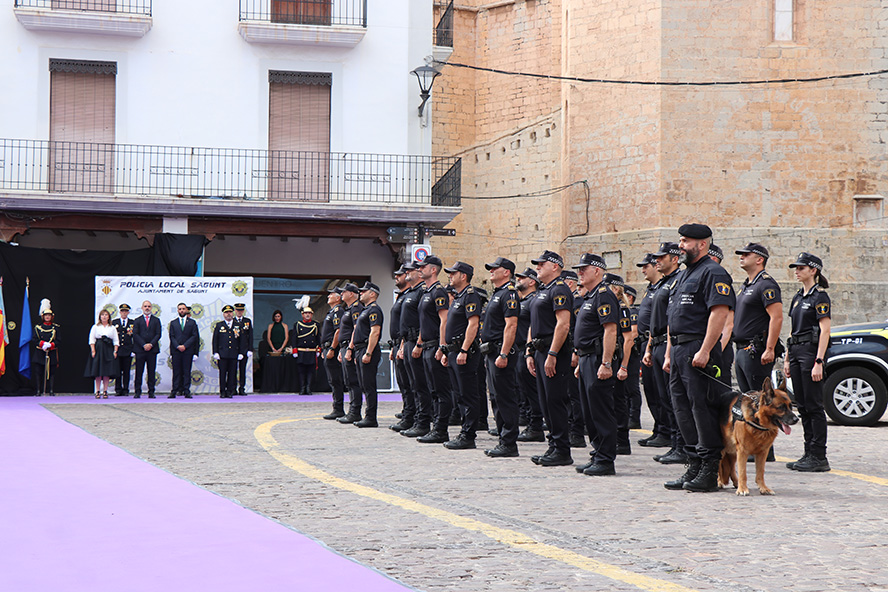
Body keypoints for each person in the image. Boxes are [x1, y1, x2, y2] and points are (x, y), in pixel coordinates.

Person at [663, 224, 736, 492]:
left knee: (702, 408)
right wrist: (670, 353)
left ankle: (709, 468)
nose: (680, 245)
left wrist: (705, 350)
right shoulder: (684, 275)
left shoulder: (713, 272)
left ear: (702, 244)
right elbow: (674, 318)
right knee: (682, 408)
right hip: (680, 349)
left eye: (685, 241)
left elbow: (719, 313)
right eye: (680, 240)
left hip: (698, 347)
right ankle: (693, 464)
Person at [572, 253, 620, 476]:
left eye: (584, 269)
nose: (579, 272)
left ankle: (606, 459)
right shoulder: (590, 296)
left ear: (597, 271)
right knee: (590, 412)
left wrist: (606, 363)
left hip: (598, 359)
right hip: (586, 358)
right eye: (579, 269)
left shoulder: (603, 295)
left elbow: (610, 330)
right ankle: (597, 453)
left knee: (600, 411)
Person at [784, 252, 832, 472]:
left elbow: (825, 330)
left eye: (801, 268)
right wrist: (786, 358)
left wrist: (819, 361)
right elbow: (794, 330)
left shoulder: (819, 297)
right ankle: (807, 453)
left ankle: (819, 456)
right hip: (796, 351)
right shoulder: (797, 297)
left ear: (813, 270)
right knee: (802, 405)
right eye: (796, 268)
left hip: (811, 353)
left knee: (813, 406)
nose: (797, 271)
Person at [526, 250, 574, 467]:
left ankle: (562, 450)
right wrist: (529, 351)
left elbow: (563, 324)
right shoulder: (542, 290)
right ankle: (553, 446)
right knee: (545, 402)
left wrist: (553, 354)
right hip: (539, 350)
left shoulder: (560, 289)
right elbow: (532, 323)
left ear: (555, 266)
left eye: (541, 264)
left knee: (555, 401)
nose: (537, 267)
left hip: (552, 351)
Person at [480, 257, 521, 457]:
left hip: (500, 352)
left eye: (495, 269)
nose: (491, 271)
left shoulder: (509, 294)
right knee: (495, 398)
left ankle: (509, 442)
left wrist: (504, 353)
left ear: (506, 272)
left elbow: (511, 325)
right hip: (491, 352)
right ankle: (503, 439)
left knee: (505, 398)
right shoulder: (497, 293)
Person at [440, 261, 483, 449]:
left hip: (464, 352)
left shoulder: (471, 296)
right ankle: (464, 431)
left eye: (453, 273)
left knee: (468, 395)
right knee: (459, 394)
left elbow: (473, 325)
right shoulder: (459, 297)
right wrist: (446, 352)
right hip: (454, 352)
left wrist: (464, 349)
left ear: (463, 276)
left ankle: (468, 435)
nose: (450, 276)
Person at [412, 255, 453, 443]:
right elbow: (424, 322)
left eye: (423, 267)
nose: (420, 269)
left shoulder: (438, 292)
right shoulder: (426, 292)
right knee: (432, 390)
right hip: (426, 346)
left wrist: (442, 346)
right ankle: (434, 427)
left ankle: (441, 430)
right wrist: (419, 343)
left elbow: (444, 320)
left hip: (436, 345)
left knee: (441, 391)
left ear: (434, 269)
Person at [733, 243, 783, 394]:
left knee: (760, 398)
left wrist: (770, 349)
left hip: (756, 350)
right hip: (742, 349)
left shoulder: (766, 285)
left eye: (746, 254)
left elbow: (777, 318)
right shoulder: (746, 286)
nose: (741, 257)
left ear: (759, 259)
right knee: (748, 399)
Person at [635, 253, 671, 449]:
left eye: (646, 266)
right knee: (651, 390)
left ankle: (666, 431)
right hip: (648, 344)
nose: (643, 269)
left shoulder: (664, 288)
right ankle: (659, 428)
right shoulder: (652, 289)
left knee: (662, 391)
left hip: (661, 342)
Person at [397, 262, 434, 438]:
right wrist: (402, 345)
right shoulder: (410, 293)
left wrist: (419, 343)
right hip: (408, 342)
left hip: (417, 342)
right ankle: (414, 418)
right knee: (412, 384)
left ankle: (423, 422)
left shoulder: (421, 292)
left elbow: (422, 321)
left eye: (412, 270)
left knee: (420, 385)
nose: (409, 272)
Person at [604, 273, 636, 456]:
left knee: (619, 401)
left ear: (615, 289)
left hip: (619, 361)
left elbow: (628, 339)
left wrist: (623, 366)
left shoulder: (623, 309)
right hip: (611, 359)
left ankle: (622, 441)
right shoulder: (611, 306)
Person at [514, 268, 546, 443]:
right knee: (524, 391)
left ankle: (535, 427)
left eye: (522, 277)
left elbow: (532, 327)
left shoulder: (534, 300)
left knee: (532, 391)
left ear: (532, 281)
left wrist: (529, 351)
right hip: (519, 350)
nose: (518, 279)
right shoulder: (524, 301)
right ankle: (529, 423)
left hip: (527, 350)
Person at [348, 282, 384, 427]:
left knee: (369, 386)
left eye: (364, 291)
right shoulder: (366, 309)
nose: (361, 293)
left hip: (367, 349)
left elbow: (375, 332)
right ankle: (367, 415)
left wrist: (368, 352)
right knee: (364, 385)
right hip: (360, 349)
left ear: (372, 294)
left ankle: (371, 417)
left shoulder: (374, 310)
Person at [389, 266, 416, 431]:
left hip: (406, 342)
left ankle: (411, 416)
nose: (397, 276)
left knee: (410, 383)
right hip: (399, 343)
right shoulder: (402, 296)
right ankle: (408, 413)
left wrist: (402, 344)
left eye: (400, 274)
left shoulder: (410, 296)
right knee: (404, 384)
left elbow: (409, 324)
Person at [337, 284, 364, 423]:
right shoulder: (348, 309)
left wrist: (350, 348)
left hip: (350, 346)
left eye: (344, 292)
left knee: (353, 381)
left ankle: (355, 412)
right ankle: (351, 410)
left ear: (352, 294)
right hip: (344, 346)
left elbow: (356, 329)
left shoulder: (356, 308)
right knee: (348, 381)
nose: (342, 294)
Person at [320, 287, 346, 419]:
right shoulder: (331, 312)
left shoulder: (338, 311)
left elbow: (338, 331)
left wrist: (331, 349)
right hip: (327, 348)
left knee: (336, 380)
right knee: (332, 380)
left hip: (333, 349)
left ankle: (339, 408)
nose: (328, 296)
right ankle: (336, 407)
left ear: (338, 298)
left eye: (331, 294)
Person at [86, 309, 119, 399]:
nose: (104, 316)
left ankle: (105, 390)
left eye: (106, 315)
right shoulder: (95, 327)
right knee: (98, 371)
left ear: (109, 317)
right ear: (100, 317)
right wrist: (93, 350)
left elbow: (116, 340)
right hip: (98, 348)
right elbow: (92, 339)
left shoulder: (112, 328)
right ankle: (97, 391)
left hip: (108, 349)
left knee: (106, 372)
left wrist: (115, 351)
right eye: (102, 315)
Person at [132, 300, 161, 399]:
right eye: (145, 306)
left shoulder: (156, 320)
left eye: (149, 306)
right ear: (142, 308)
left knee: (151, 371)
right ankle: (137, 391)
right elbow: (135, 334)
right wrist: (144, 344)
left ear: (151, 308)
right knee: (139, 371)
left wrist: (151, 344)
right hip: (140, 350)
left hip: (152, 350)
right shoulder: (137, 320)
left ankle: (151, 391)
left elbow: (158, 334)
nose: (147, 308)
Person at [168, 302, 198, 399]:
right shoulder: (173, 323)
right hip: (176, 351)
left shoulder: (192, 322)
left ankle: (186, 391)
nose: (181, 310)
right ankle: (174, 391)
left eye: (183, 309)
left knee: (186, 371)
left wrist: (185, 345)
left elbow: (194, 336)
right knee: (176, 372)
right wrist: (178, 346)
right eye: (180, 309)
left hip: (187, 351)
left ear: (186, 310)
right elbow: (171, 336)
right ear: (177, 310)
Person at [213, 304, 242, 398]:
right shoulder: (219, 325)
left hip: (234, 354)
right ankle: (222, 391)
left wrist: (241, 352)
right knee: (222, 374)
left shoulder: (237, 325)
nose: (228, 314)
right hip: (222, 354)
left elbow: (241, 340)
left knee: (232, 373)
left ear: (233, 313)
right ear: (223, 314)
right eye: (226, 312)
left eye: (230, 312)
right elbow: (215, 340)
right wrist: (215, 352)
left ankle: (230, 391)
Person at [291, 307, 320, 395]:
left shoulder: (316, 325)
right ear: (302, 314)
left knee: (310, 371)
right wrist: (294, 350)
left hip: (311, 351)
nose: (307, 315)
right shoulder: (297, 324)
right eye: (306, 313)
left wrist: (318, 349)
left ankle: (308, 388)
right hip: (301, 351)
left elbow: (318, 337)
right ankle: (302, 388)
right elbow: (294, 338)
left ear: (312, 314)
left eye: (309, 313)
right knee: (301, 371)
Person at [112, 303, 134, 396]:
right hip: (118, 350)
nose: (124, 313)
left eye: (126, 311)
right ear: (120, 312)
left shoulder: (132, 323)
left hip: (128, 350)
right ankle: (118, 389)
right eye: (122, 311)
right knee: (117, 371)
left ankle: (126, 389)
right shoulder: (114, 322)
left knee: (126, 371)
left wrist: (133, 350)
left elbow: (134, 337)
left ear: (128, 312)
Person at [233, 303, 254, 396]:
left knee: (242, 370)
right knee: (233, 370)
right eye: (238, 310)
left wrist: (250, 349)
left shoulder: (247, 321)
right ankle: (233, 388)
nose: (239, 312)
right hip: (234, 350)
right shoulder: (232, 321)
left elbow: (250, 336)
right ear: (235, 311)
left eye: (241, 310)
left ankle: (242, 388)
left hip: (244, 349)